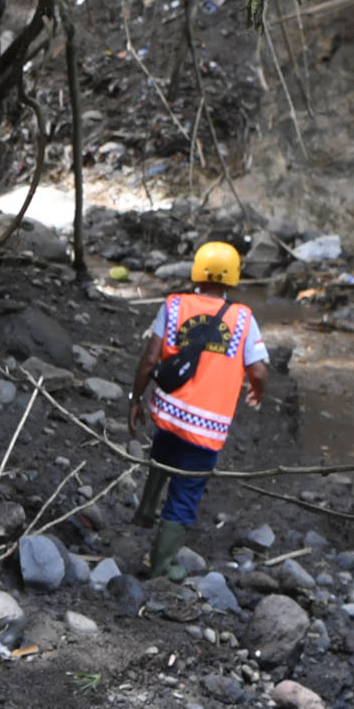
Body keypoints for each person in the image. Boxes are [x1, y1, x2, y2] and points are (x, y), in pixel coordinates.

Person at [134, 239, 270, 575]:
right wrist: (257, 391)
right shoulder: (243, 319)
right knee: (186, 493)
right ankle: (162, 565)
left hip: (168, 413)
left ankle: (147, 510)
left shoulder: (174, 305)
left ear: (197, 270)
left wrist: (135, 399)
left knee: (161, 456)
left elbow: (150, 358)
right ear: (233, 277)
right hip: (207, 427)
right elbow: (259, 370)